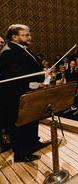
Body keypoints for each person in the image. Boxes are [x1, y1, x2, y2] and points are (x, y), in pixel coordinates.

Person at [0, 24, 49, 162]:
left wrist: (43, 72)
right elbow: (12, 78)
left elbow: (31, 69)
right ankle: (21, 154)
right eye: (26, 35)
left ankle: (33, 144)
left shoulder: (22, 48)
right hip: (17, 98)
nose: (29, 37)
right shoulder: (8, 51)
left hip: (29, 93)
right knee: (20, 125)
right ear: (14, 37)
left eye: (29, 34)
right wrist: (32, 82)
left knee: (32, 120)